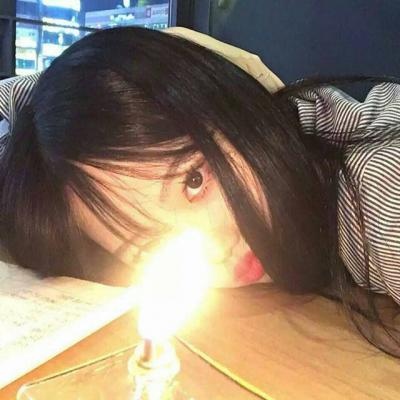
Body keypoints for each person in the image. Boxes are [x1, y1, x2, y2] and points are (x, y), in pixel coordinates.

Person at [0, 26, 400, 355]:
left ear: (224, 101)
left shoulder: (377, 190)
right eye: (152, 243)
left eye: (194, 181)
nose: (215, 250)